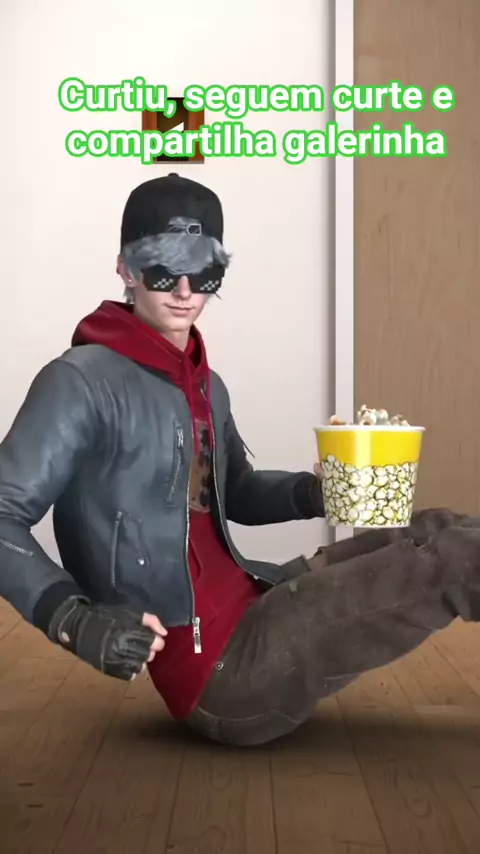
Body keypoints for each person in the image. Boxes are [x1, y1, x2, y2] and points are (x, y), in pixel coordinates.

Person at [0, 173, 479, 748]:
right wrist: (72, 619)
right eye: (162, 268)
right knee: (455, 560)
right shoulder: (80, 383)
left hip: (258, 597)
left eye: (203, 272)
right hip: (225, 673)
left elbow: (236, 492)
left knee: (442, 528)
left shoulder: (204, 383)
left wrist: (317, 492)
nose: (184, 290)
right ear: (125, 268)